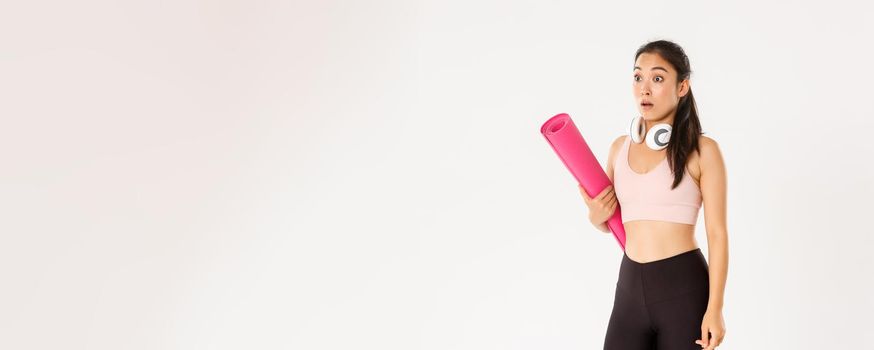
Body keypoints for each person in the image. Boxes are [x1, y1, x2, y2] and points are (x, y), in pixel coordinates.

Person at [579, 40, 728, 350]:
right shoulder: (619, 148)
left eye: (657, 78)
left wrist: (715, 308)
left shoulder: (703, 151)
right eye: (638, 77)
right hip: (630, 287)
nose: (644, 89)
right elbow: (608, 219)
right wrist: (596, 217)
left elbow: (717, 234)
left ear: (682, 86)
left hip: (683, 289)